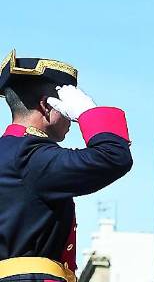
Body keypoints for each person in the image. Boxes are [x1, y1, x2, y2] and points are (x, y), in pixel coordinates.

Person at [0, 51, 133, 282]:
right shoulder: (30, 157)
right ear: (46, 106)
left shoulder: (10, 154)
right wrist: (87, 113)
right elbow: (113, 156)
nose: (70, 118)